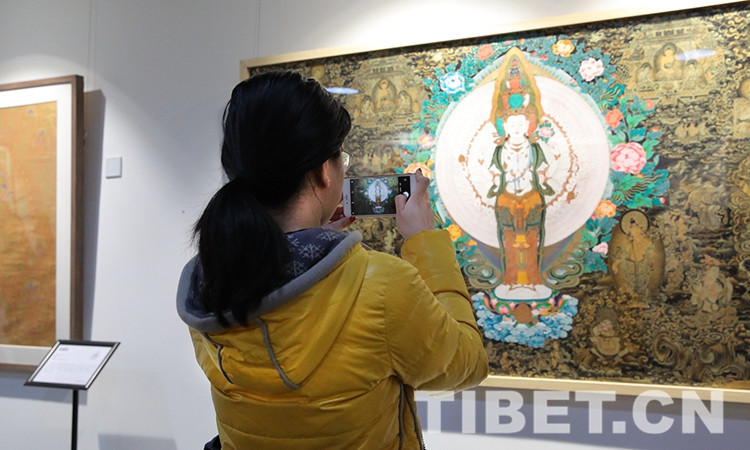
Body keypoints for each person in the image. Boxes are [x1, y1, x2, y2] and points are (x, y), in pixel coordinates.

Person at [176, 71, 488, 449]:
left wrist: (315, 245)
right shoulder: (380, 286)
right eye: (342, 157)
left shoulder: (210, 281)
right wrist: (425, 241)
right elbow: (467, 362)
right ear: (325, 170)